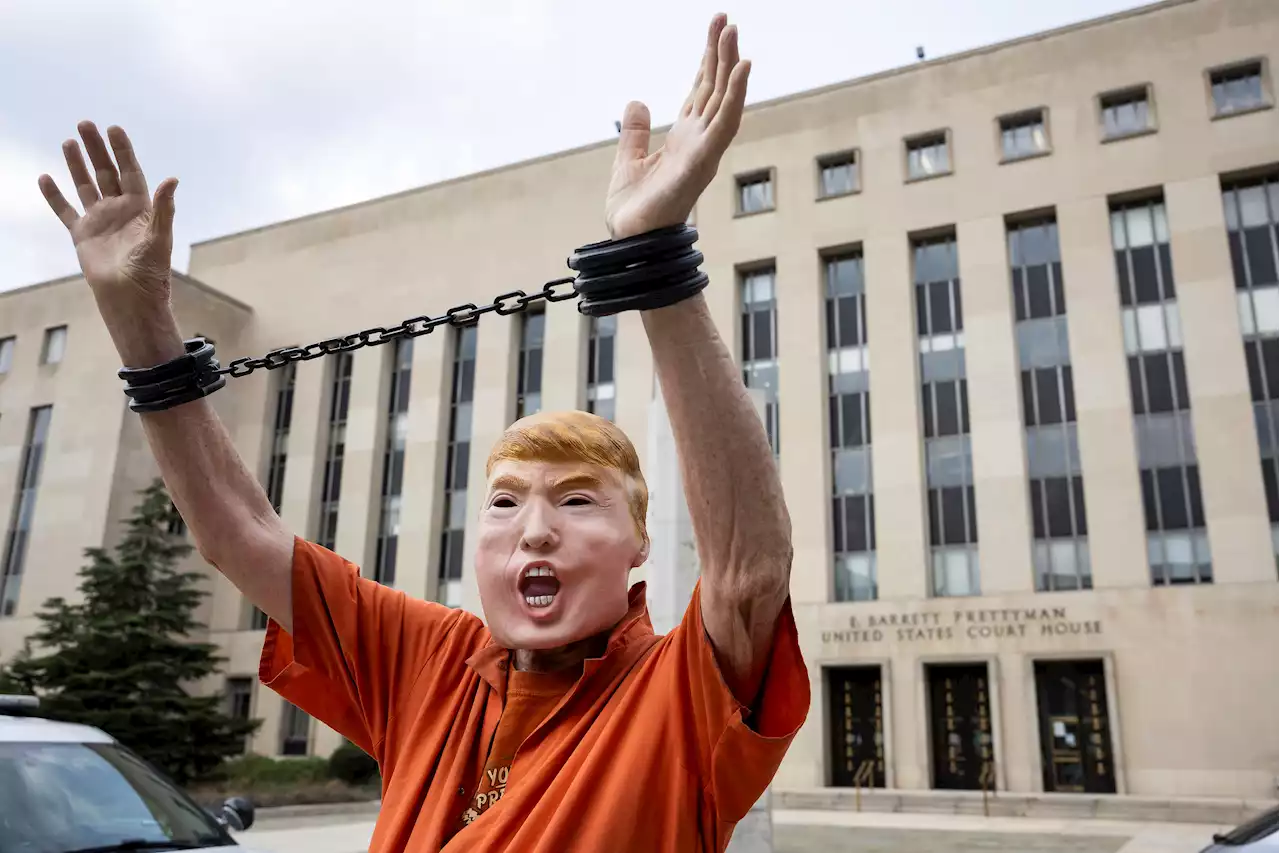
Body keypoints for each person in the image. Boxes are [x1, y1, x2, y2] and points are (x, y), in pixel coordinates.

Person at [38, 13, 809, 852]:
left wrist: (656, 255)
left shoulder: (680, 698)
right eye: (505, 501)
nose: (535, 529)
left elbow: (748, 567)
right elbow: (239, 532)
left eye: (579, 500)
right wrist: (140, 323)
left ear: (637, 547)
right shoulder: (428, 661)